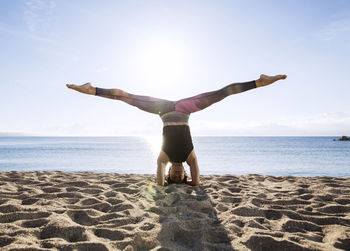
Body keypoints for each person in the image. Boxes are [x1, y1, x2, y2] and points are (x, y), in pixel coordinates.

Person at [66, 74, 287, 186]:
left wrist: (167, 183)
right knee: (222, 93)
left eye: (176, 175)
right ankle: (259, 82)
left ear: (171, 173)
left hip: (162, 110)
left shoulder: (164, 158)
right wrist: (192, 184)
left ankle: (92, 90)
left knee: (128, 98)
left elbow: (160, 182)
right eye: (182, 175)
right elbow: (197, 182)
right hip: (184, 109)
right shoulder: (190, 158)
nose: (179, 172)